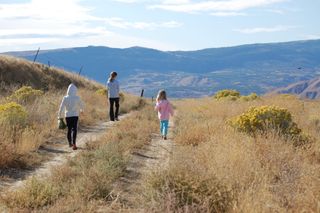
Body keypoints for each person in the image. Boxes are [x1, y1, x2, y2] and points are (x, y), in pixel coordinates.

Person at [58, 83, 84, 150]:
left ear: (68, 90)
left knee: (69, 129)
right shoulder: (77, 98)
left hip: (68, 116)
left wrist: (60, 116)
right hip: (75, 115)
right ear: (75, 90)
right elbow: (82, 105)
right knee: (74, 129)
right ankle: (74, 144)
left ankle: (70, 143)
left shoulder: (65, 98)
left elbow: (61, 107)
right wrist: (82, 110)